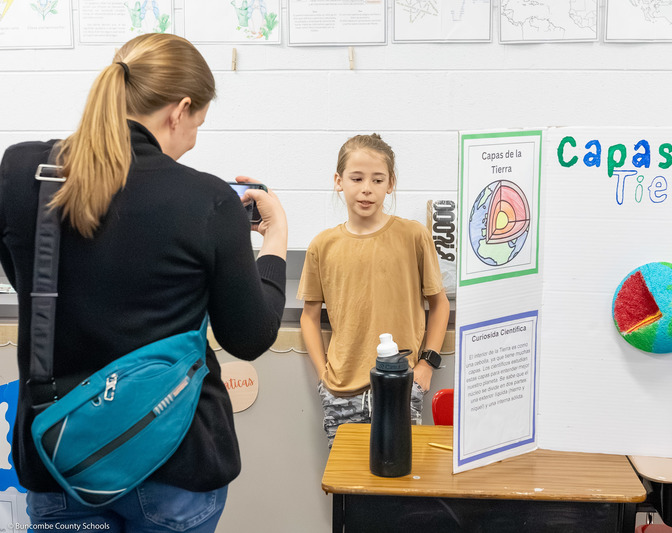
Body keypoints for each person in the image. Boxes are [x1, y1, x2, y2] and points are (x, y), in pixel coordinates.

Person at [0, 33, 288, 531]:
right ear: (179, 110)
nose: (193, 138)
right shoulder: (207, 200)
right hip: (175, 460)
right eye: (198, 123)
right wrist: (276, 244)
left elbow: (25, 280)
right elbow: (249, 336)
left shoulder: (24, 171)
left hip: (58, 454)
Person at [298, 134, 449, 448]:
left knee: (401, 486)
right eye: (356, 178)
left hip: (400, 389)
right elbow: (309, 318)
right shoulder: (322, 246)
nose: (366, 188)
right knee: (348, 491)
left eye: (377, 179)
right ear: (339, 181)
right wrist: (323, 375)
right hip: (341, 392)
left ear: (390, 184)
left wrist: (426, 365)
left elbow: (439, 304)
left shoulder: (413, 236)